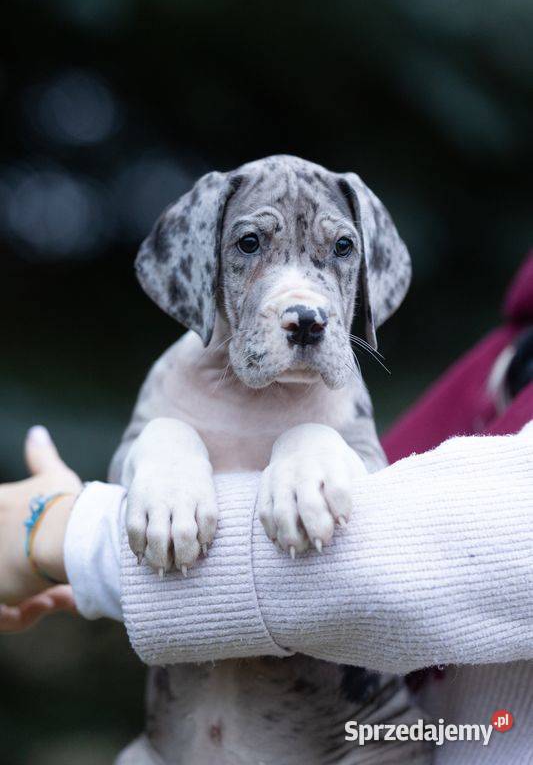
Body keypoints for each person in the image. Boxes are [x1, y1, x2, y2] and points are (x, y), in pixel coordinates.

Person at [1, 253, 532, 763]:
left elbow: (395, 552)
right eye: (250, 245)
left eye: (340, 251)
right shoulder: (508, 352)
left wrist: (62, 534)